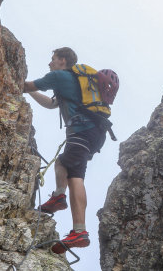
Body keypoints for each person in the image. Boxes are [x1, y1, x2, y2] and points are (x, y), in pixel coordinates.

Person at [23, 47, 106, 254]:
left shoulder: (59, 76)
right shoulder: (76, 82)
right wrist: (32, 92)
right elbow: (51, 104)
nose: (49, 63)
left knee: (72, 172)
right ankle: (65, 206)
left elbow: (27, 85)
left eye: (52, 59)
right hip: (95, 133)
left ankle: (77, 227)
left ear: (62, 60)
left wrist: (12, 79)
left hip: (81, 131)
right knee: (67, 166)